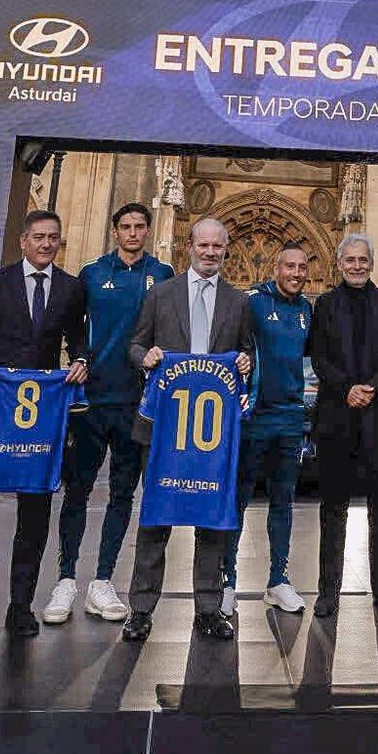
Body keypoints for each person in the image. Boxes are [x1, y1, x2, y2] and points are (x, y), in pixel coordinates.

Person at [0, 209, 88, 641]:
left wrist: (81, 360)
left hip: (43, 416)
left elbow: (79, 337)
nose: (47, 244)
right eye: (39, 237)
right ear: (23, 241)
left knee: (35, 509)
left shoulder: (70, 288)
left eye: (54, 238)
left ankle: (20, 606)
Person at [120, 216, 254, 644]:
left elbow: (247, 352)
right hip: (163, 429)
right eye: (204, 245)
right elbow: (134, 346)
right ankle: (140, 610)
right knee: (156, 518)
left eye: (218, 247)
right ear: (189, 247)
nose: (210, 252)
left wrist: (246, 364)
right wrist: (147, 357)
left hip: (213, 433)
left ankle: (209, 609)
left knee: (212, 522)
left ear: (225, 251)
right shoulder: (161, 294)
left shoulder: (238, 302)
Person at [42, 202, 174, 627]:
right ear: (115, 232)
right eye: (126, 227)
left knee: (122, 494)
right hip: (92, 399)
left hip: (137, 404)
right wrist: (74, 358)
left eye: (139, 227)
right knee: (77, 491)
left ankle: (102, 581)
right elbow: (72, 327)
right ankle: (65, 579)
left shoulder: (163, 276)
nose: (133, 233)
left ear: (148, 231)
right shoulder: (93, 273)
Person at [307, 233, 378, 620]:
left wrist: (373, 388)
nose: (356, 265)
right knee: (332, 510)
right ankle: (327, 593)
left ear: (371, 262)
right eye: (349, 260)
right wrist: (346, 389)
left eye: (362, 260)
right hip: (338, 420)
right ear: (339, 263)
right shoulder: (325, 306)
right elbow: (318, 356)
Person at [220, 240, 314, 615]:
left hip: (291, 418)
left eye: (301, 268)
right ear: (276, 269)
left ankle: (278, 580)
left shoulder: (307, 309)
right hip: (256, 416)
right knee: (239, 500)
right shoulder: (254, 302)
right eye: (289, 267)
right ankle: (228, 581)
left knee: (283, 500)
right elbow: (233, 342)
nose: (295, 274)